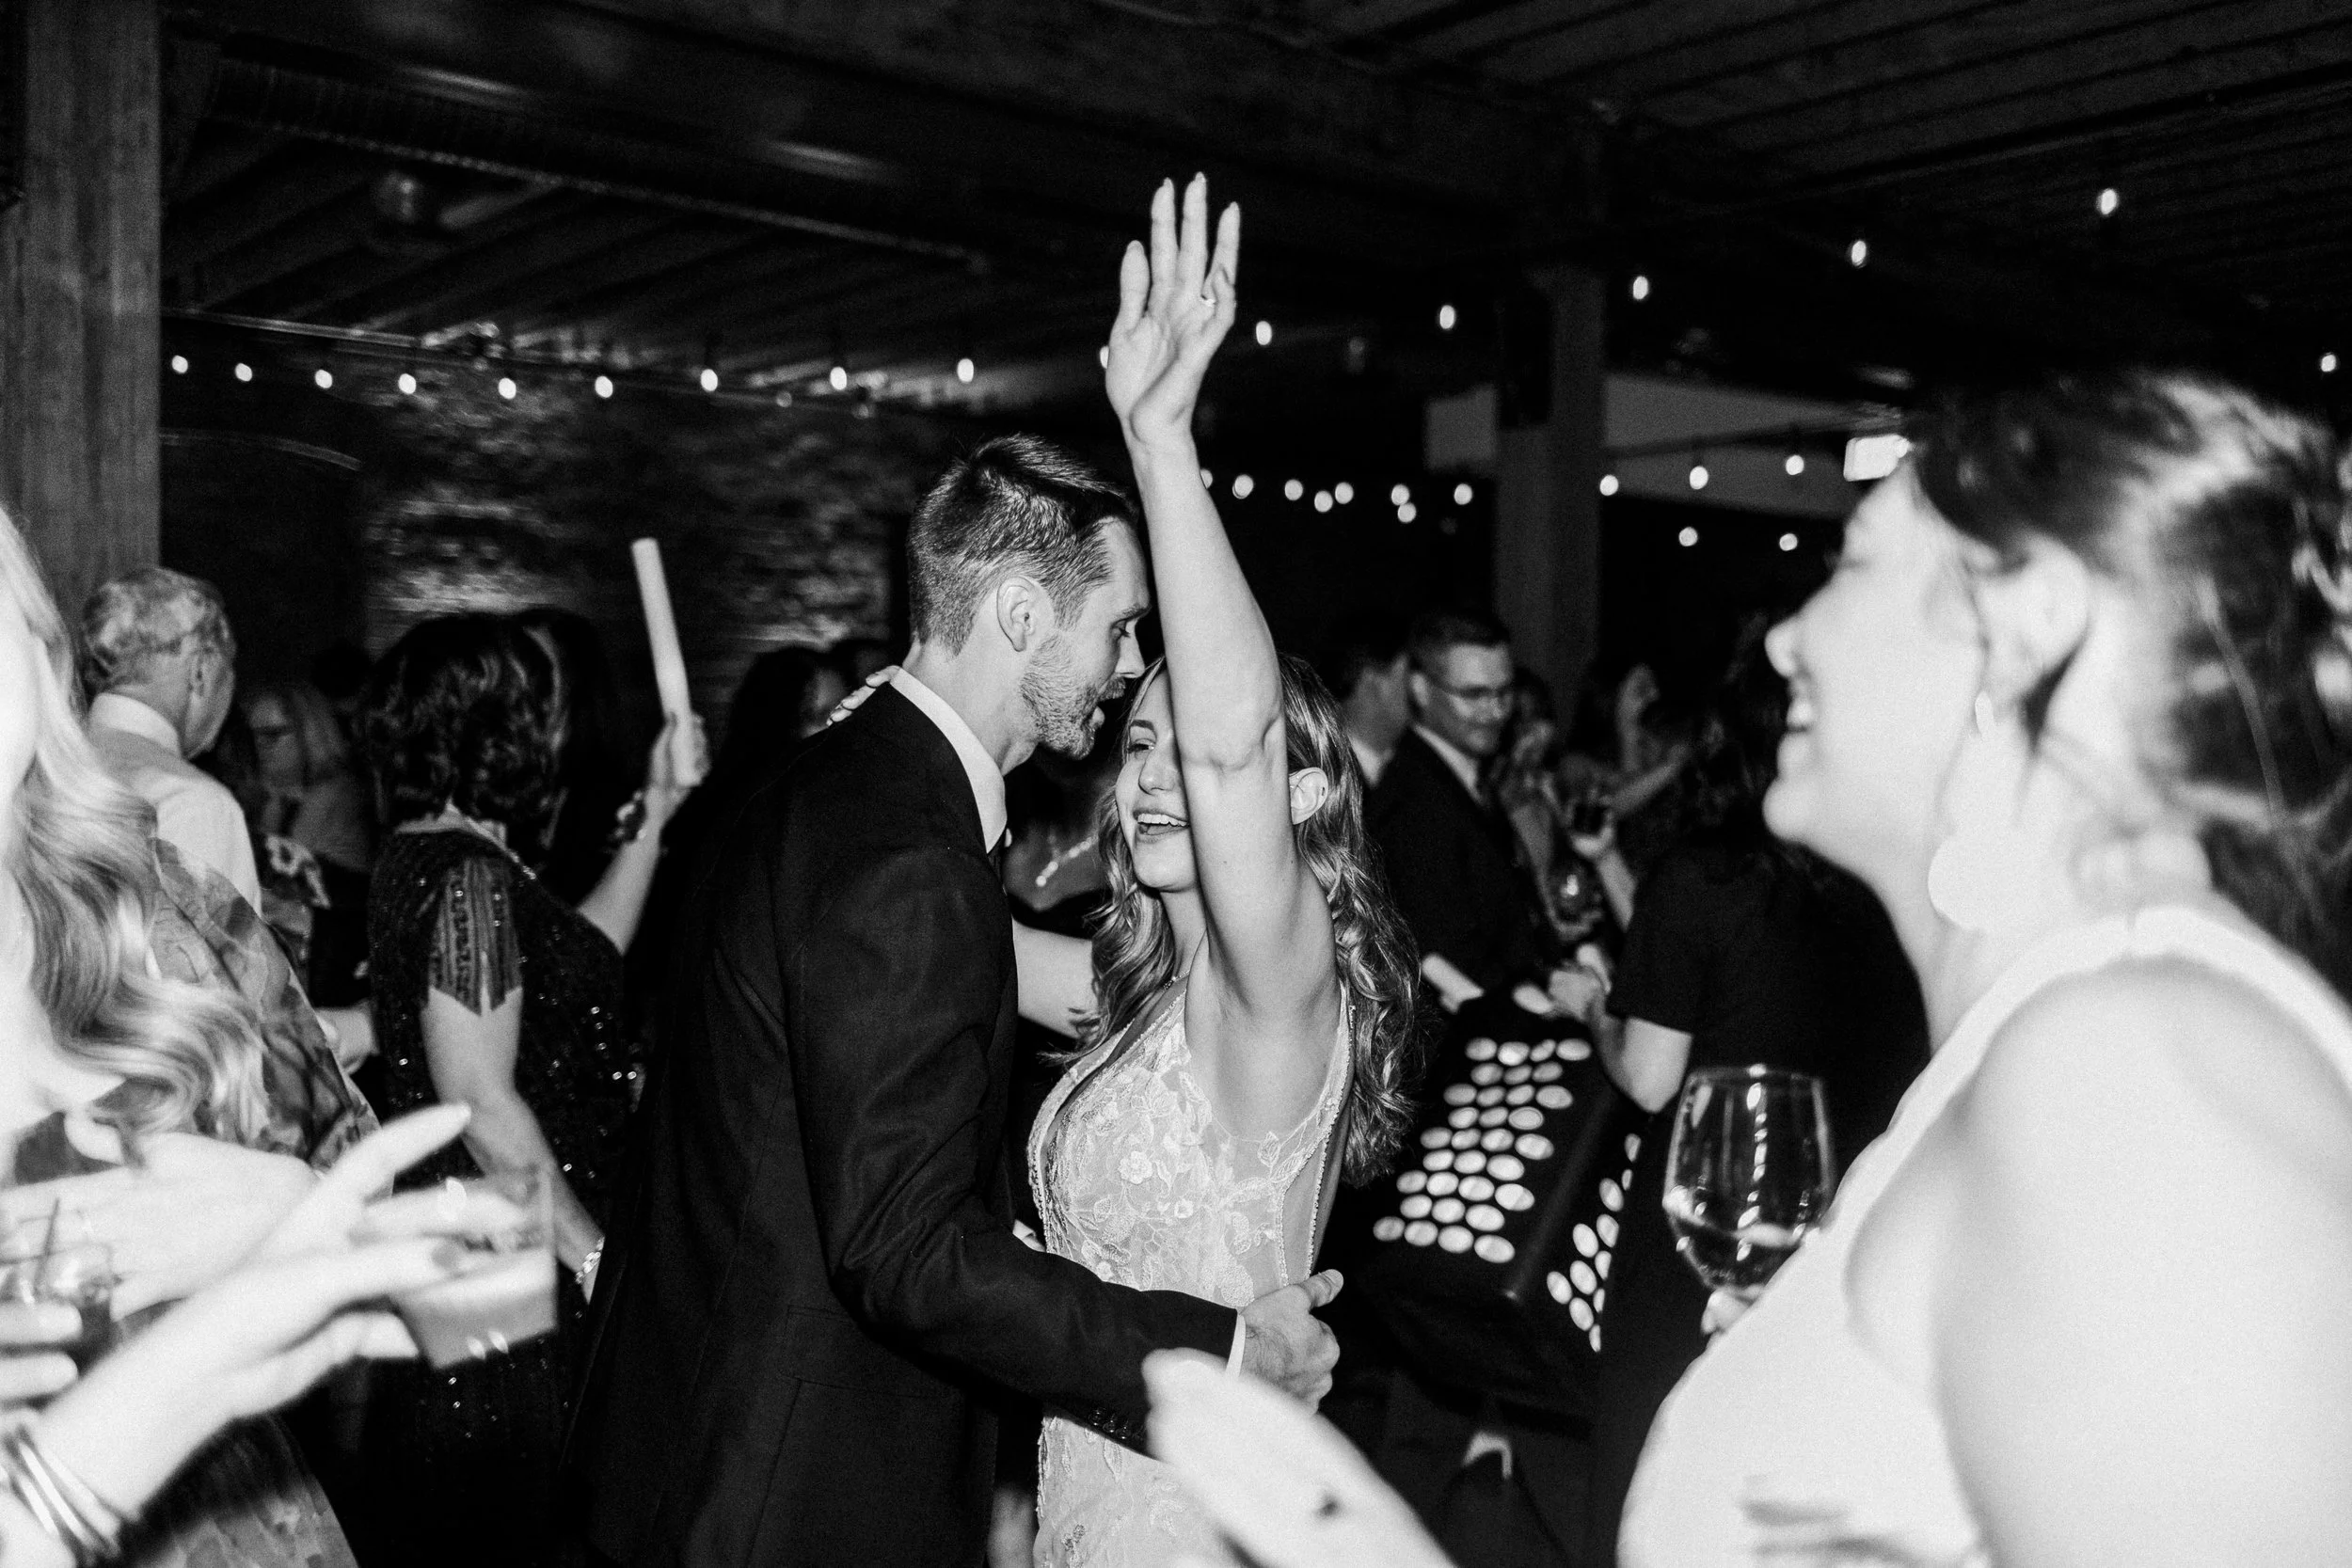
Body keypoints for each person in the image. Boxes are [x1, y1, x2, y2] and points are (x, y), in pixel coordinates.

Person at [569, 420, 1346, 1562]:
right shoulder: (908, 855)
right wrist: (1224, 1347)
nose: (1128, 662)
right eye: (1120, 627)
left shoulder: (828, 789)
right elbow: (904, 1243)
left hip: (720, 1455)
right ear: (1023, 614)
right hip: (788, 1491)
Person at [1616, 372, 2352, 1563]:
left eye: (1851, 563)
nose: (1788, 637)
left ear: (2026, 626)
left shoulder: (2124, 1063)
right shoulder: (2057, 1039)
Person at [987, 175, 1418, 1567]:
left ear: (1303, 795)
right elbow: (941, 936)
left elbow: (1234, 755)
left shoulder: (1280, 996)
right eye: (1140, 743)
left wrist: (1161, 444)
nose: (1163, 772)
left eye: (1201, 751)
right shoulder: (1130, 995)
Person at [0, 506, 378, 1567]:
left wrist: (286, 1213)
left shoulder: (166, 900)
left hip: (225, 1513)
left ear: (39, 650)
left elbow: (348, 1173)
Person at [1569, 636, 1928, 1563]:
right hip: (1844, 1225)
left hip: (1706, 1223)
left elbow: (1650, 1075)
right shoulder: (1896, 883)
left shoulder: (1702, 875)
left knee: (1655, 1492)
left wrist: (1595, 1014)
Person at [359, 614, 697, 1568]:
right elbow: (479, 1096)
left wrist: (659, 807)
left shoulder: (436, 851)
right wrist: (594, 1259)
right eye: (540, 705)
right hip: (505, 1262)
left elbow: (585, 956)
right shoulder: (470, 876)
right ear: (500, 727)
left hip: (473, 1248)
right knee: (512, 1527)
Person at [1368, 608, 1554, 1004]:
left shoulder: (1465, 776)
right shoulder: (1413, 799)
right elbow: (1446, 952)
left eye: (1504, 692)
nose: (1495, 711)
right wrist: (1545, 1007)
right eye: (1474, 695)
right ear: (1420, 689)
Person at [78, 565, 262, 908]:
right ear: (201, 670)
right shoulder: (195, 805)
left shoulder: (40, 766)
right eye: (228, 675)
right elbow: (216, 945)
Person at [1319, 610, 1413, 788]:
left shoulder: (1411, 773)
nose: (1419, 688)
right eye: (1409, 674)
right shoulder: (1322, 776)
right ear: (1374, 680)